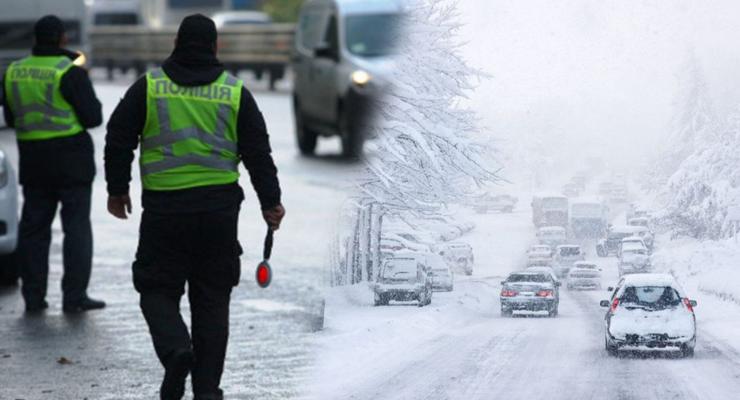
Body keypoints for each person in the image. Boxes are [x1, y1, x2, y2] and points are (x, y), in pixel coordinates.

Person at [104, 14, 285, 400]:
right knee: (213, 302)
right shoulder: (235, 93)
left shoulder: (149, 87)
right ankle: (206, 391)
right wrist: (270, 202)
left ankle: (176, 351)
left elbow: (118, 135)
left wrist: (117, 189)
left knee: (155, 288)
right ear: (215, 47)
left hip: (164, 214)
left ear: (176, 43)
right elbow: (258, 153)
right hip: (218, 217)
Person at [1, 15, 105, 313]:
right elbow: (93, 118)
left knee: (34, 231)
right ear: (62, 40)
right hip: (72, 163)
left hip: (34, 162)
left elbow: (10, 118)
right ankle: (74, 297)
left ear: (35, 39)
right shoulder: (68, 72)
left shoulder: (14, 72)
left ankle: (33, 298)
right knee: (76, 230)